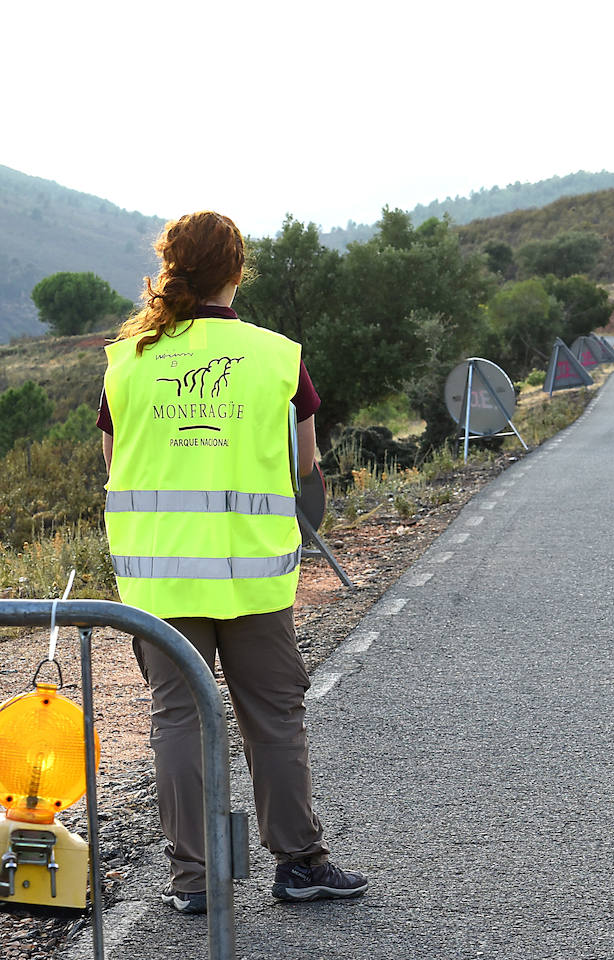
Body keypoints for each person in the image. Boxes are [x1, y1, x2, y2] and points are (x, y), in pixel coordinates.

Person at [99, 211, 367, 915]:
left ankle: (194, 881)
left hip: (159, 581)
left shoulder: (125, 363)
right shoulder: (276, 356)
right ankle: (300, 863)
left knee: (178, 722)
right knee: (273, 719)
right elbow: (304, 466)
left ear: (171, 268)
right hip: (252, 578)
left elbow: (114, 466)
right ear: (237, 270)